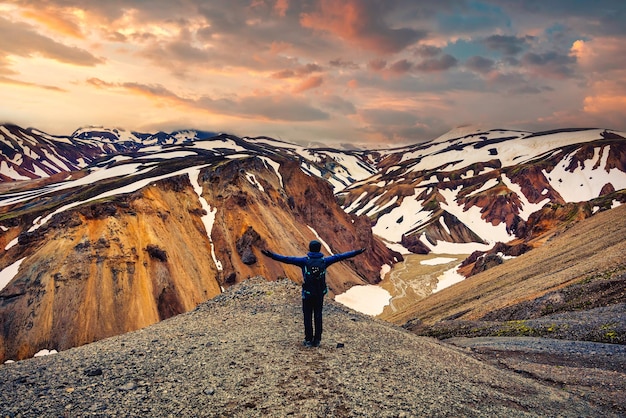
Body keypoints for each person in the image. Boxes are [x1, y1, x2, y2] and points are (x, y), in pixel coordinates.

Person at [262, 240, 365, 347]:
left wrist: (272, 255)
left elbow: (287, 259)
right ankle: (317, 340)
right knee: (318, 315)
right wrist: (357, 252)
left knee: (307, 316)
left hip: (307, 294)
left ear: (310, 248)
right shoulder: (324, 261)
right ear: (319, 249)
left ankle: (308, 339)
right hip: (319, 293)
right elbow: (340, 256)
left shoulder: (304, 261)